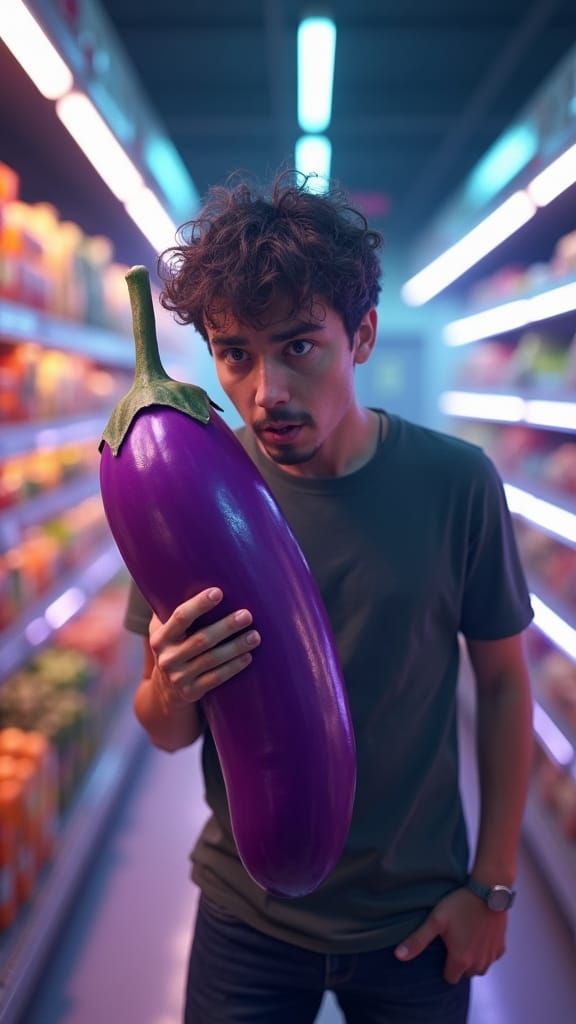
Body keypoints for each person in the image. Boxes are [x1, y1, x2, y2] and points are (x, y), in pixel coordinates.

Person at [124, 173, 534, 1024]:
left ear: (364, 336)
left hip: (416, 916)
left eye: (298, 346)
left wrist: (492, 888)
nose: (265, 389)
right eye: (235, 353)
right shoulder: (188, 489)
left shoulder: (456, 484)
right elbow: (166, 732)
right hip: (247, 909)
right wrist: (171, 684)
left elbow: (501, 686)